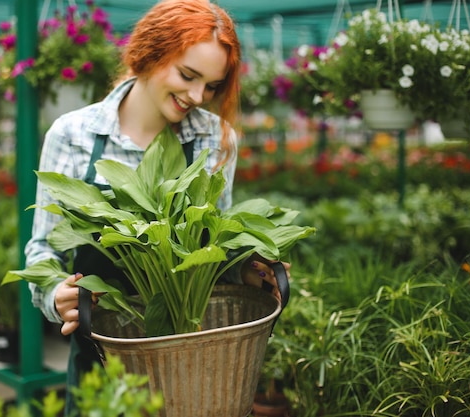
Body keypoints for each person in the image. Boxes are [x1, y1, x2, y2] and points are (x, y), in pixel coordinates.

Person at [24, 0, 290, 413]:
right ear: (149, 53)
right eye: (188, 75)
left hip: (193, 361)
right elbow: (43, 252)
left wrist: (248, 271)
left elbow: (215, 249)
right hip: (104, 358)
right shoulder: (74, 134)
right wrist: (54, 293)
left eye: (212, 86)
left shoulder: (214, 137)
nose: (198, 96)